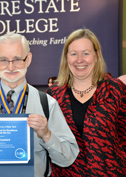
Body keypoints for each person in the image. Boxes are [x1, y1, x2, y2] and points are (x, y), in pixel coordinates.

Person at [0, 33, 79, 177]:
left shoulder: (47, 104)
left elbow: (68, 159)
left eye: (17, 59)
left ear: (28, 59)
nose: (11, 67)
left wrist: (47, 135)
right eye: (4, 60)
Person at [47, 28, 126, 176]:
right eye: (74, 54)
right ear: (66, 57)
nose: (79, 60)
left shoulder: (116, 90)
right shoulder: (54, 95)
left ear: (96, 56)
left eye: (86, 53)